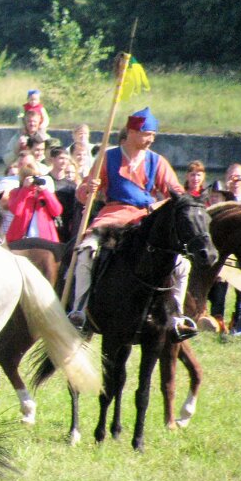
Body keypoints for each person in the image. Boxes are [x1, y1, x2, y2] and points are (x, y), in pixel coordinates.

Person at [68, 108, 196, 338]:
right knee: (86, 252)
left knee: (182, 265)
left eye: (153, 135)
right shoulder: (108, 157)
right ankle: (80, 310)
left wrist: (164, 206)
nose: (152, 139)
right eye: (148, 134)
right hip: (112, 217)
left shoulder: (157, 162)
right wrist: (91, 189)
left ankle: (176, 317)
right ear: (133, 132)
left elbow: (176, 193)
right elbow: (82, 193)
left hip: (144, 221)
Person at [3, 156, 63, 242]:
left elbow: (57, 211)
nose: (35, 180)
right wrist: (25, 190)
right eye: (32, 177)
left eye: (37, 176)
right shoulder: (16, 192)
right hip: (22, 238)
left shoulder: (45, 193)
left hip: (45, 238)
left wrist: (45, 192)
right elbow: (16, 210)